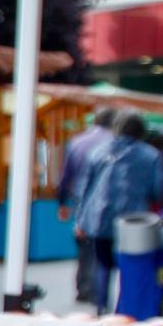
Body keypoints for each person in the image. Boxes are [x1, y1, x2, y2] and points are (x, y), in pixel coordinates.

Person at [75, 112, 163, 314]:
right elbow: (158, 190)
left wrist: (80, 220)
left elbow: (85, 187)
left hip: (99, 218)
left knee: (103, 265)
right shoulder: (151, 155)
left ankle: (101, 307)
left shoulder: (98, 151)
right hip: (134, 222)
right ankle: (125, 309)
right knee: (130, 266)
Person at [57, 107, 117, 307]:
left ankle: (83, 287)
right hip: (106, 200)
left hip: (80, 199)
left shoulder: (77, 141)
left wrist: (62, 201)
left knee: (84, 245)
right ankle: (94, 289)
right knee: (100, 246)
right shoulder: (113, 143)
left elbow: (66, 175)